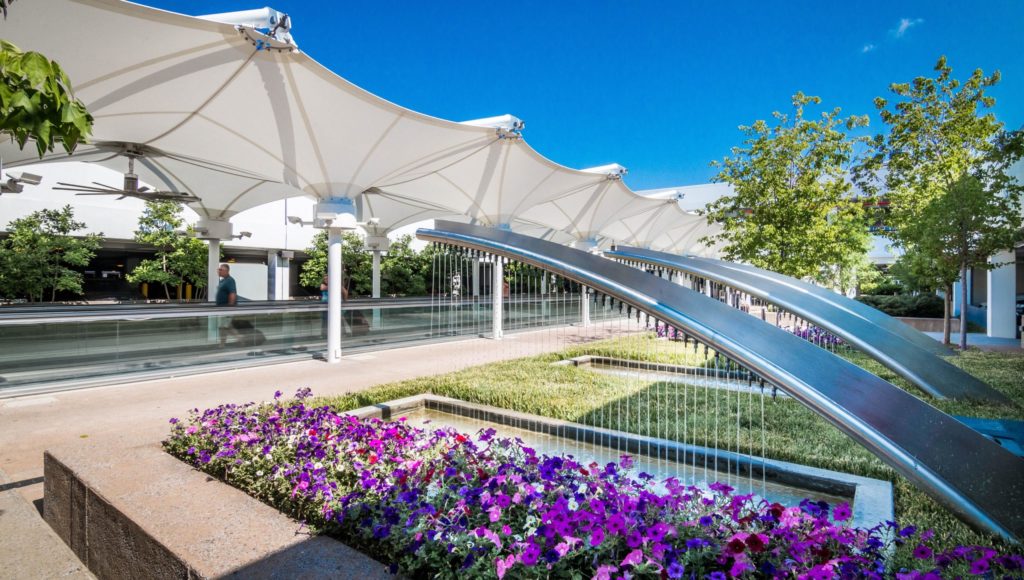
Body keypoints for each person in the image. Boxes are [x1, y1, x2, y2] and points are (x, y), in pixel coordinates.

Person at [216, 263, 238, 347]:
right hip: (222, 308)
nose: (219, 271)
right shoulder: (222, 280)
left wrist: (230, 307)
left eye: (221, 269)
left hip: (226, 308)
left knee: (223, 327)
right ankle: (241, 339)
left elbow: (232, 294)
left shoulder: (230, 280)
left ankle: (222, 344)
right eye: (219, 269)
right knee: (226, 327)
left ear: (226, 271)